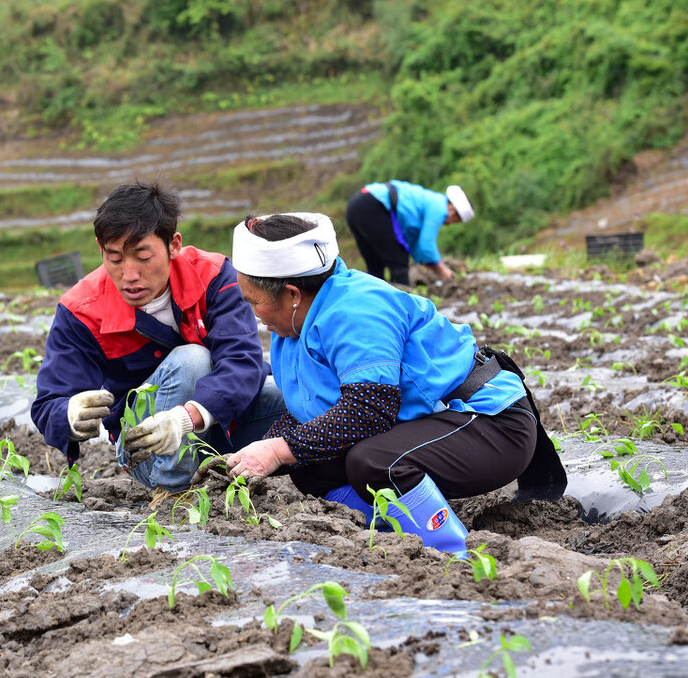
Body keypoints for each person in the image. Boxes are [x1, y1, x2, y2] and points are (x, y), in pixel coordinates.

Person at [223, 212, 565, 556]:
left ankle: (448, 550)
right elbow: (310, 414)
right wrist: (248, 461)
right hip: (437, 424)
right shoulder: (294, 327)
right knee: (309, 465)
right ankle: (389, 528)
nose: (256, 314)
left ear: (292, 294)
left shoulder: (355, 310)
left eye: (254, 302)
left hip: (491, 424)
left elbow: (370, 410)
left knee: (373, 462)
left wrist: (279, 449)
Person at [31, 182, 285, 493]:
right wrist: (69, 415)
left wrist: (186, 418)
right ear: (101, 250)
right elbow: (48, 403)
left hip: (219, 421)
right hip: (146, 448)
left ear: (173, 245)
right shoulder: (81, 310)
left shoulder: (214, 276)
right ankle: (174, 488)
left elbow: (242, 363)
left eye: (142, 256)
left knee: (298, 399)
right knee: (193, 360)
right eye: (115, 258)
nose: (130, 274)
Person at [345, 180, 473, 285]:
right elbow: (426, 244)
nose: (450, 224)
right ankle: (404, 303)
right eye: (456, 220)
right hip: (373, 205)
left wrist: (430, 263)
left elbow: (416, 245)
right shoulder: (439, 207)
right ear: (452, 210)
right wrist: (442, 270)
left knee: (376, 268)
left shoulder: (429, 200)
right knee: (398, 261)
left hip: (357, 205)